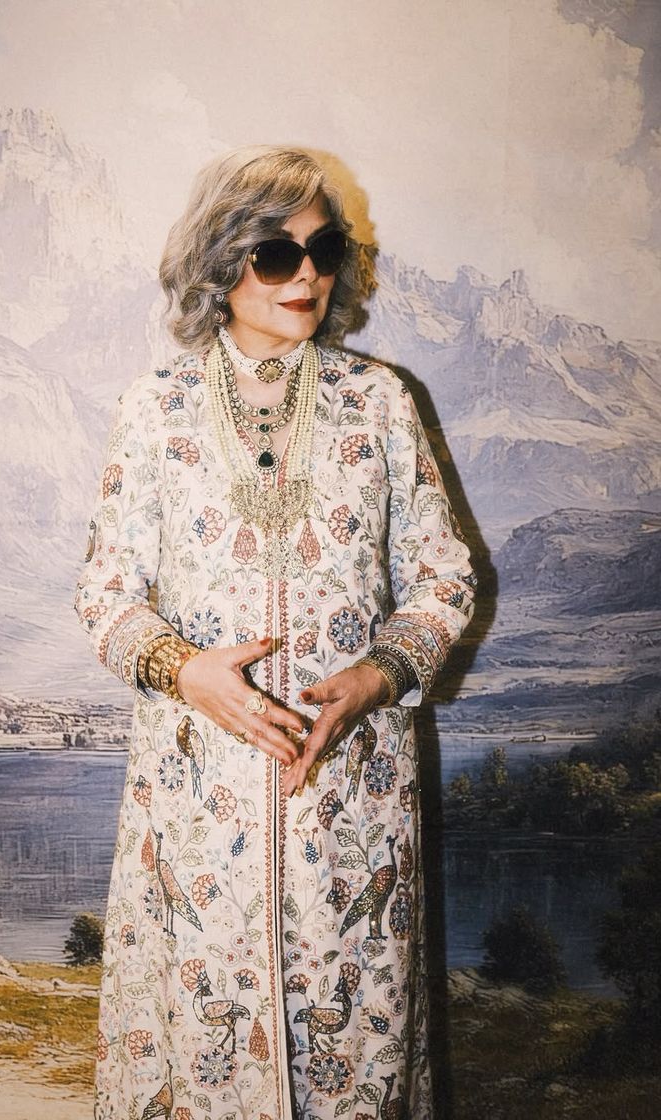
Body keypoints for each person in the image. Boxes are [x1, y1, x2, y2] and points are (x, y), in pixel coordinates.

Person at [75, 145, 476, 1120]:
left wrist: (378, 676)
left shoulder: (380, 402)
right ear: (221, 263)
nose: (306, 276)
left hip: (352, 796)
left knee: (354, 1046)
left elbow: (446, 578)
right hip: (196, 800)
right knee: (203, 1047)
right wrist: (184, 670)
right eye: (276, 254)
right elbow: (104, 592)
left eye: (324, 250)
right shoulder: (154, 409)